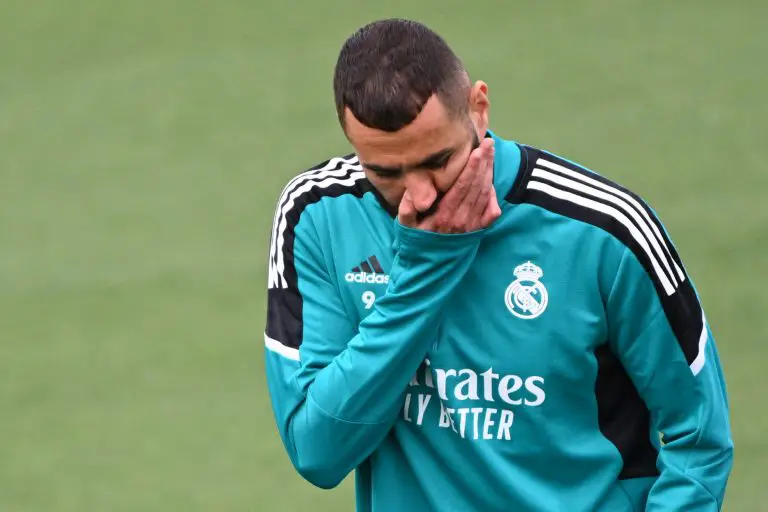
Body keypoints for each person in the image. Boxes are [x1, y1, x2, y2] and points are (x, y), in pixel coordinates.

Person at [263, 18, 733, 511]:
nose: (418, 195)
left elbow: (699, 438)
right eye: (386, 173)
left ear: (478, 109)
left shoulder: (603, 231)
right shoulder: (318, 216)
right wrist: (426, 271)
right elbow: (318, 450)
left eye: (438, 160)